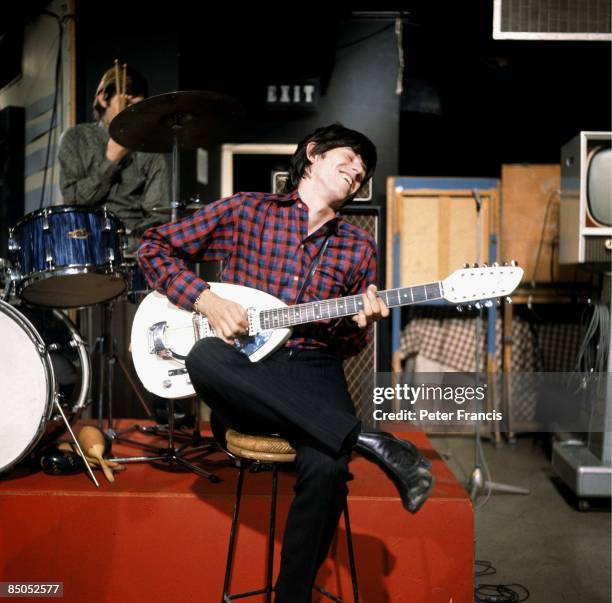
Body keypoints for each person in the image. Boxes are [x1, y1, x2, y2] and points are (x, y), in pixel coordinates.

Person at [137, 123, 433, 603]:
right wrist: (206, 300)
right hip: (245, 372)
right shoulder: (246, 210)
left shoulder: (359, 247)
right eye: (351, 157)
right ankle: (367, 438)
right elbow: (152, 247)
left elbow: (344, 348)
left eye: (364, 171)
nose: (358, 171)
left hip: (313, 370)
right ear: (313, 154)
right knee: (204, 355)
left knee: (329, 467)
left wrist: (361, 322)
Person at [58, 64, 169, 254]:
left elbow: (158, 216)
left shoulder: (150, 150)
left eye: (138, 107)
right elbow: (72, 202)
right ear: (103, 98)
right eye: (127, 104)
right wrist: (110, 160)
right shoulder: (75, 138)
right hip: (82, 246)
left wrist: (124, 245)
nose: (133, 113)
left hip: (130, 253)